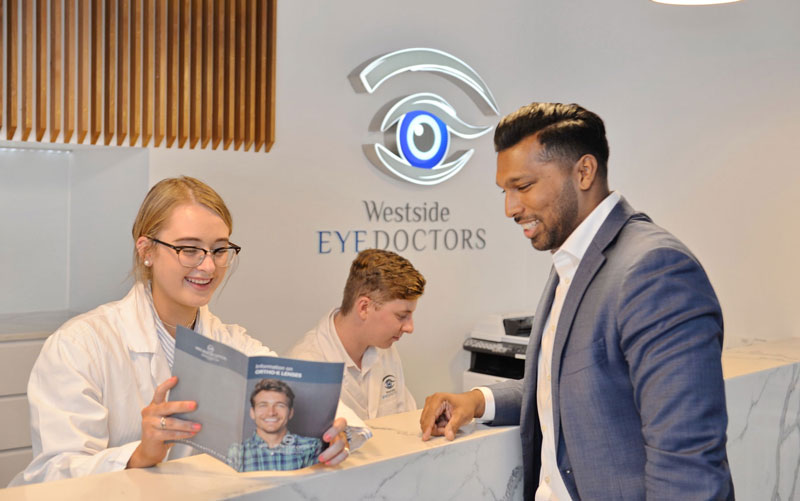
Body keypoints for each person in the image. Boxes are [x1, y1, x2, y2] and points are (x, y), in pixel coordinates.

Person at [420, 103, 734, 500]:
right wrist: (478, 400)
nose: (510, 208)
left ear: (584, 172)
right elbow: (575, 385)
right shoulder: (571, 260)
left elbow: (687, 463)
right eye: (505, 191)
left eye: (524, 186)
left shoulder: (656, 270)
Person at [11, 176, 353, 486]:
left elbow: (315, 401)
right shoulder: (80, 345)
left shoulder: (232, 343)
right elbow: (53, 474)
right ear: (146, 250)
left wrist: (332, 431)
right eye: (189, 249)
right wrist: (140, 455)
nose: (207, 265)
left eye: (219, 250)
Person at [289, 249, 425, 420]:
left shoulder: (385, 348)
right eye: (401, 316)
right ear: (364, 308)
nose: (409, 327)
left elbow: (405, 421)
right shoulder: (305, 366)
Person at [226, 379, 323, 472]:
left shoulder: (311, 447)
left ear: (290, 413)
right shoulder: (237, 452)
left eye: (280, 405)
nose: (271, 413)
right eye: (263, 405)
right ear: (252, 412)